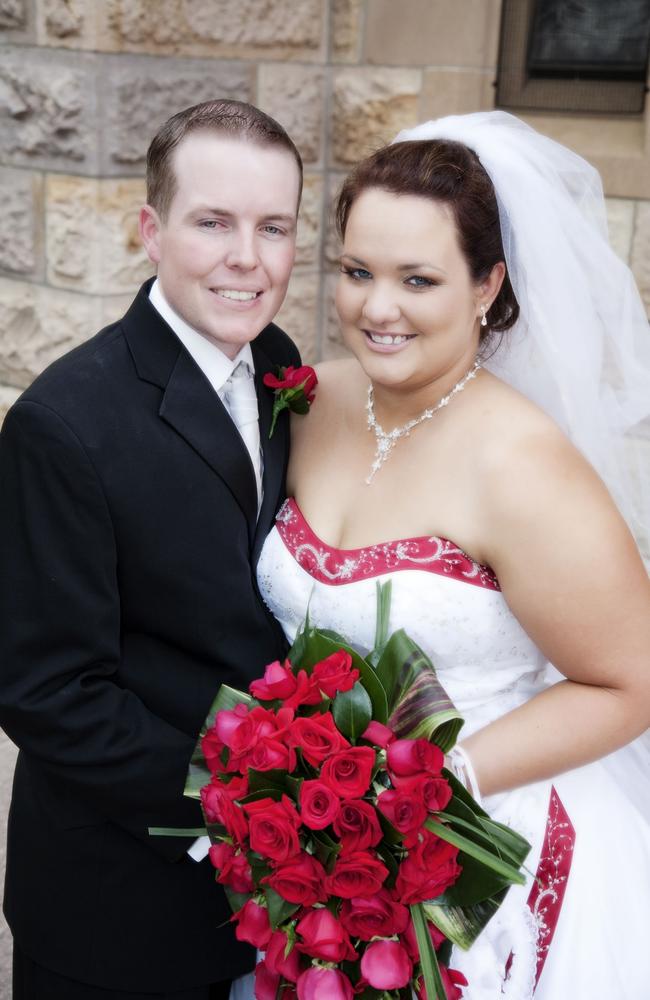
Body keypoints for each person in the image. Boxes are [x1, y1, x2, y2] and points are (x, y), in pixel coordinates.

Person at [256, 112, 650, 998]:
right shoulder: (311, 399)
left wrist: (439, 781)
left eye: (418, 279)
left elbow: (633, 680)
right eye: (357, 272)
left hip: (481, 852)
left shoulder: (523, 464)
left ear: (487, 285)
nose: (377, 308)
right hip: (314, 856)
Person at [0, 99, 302, 998]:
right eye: (213, 222)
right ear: (150, 230)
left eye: (273, 227)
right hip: (117, 916)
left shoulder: (281, 363)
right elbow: (49, 692)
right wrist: (257, 803)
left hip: (272, 911)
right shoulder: (64, 423)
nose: (247, 257)